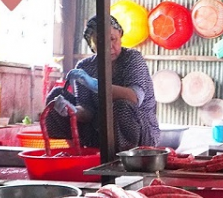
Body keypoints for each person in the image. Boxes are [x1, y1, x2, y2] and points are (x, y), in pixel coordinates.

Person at [45, 15, 159, 152]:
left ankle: (124, 159)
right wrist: (72, 111)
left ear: (120, 35)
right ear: (91, 45)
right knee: (56, 96)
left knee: (121, 105)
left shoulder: (132, 59)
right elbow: (87, 111)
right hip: (99, 132)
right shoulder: (85, 66)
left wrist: (95, 85)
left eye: (112, 39)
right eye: (100, 42)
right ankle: (76, 152)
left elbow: (134, 97)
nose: (108, 47)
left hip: (140, 134)